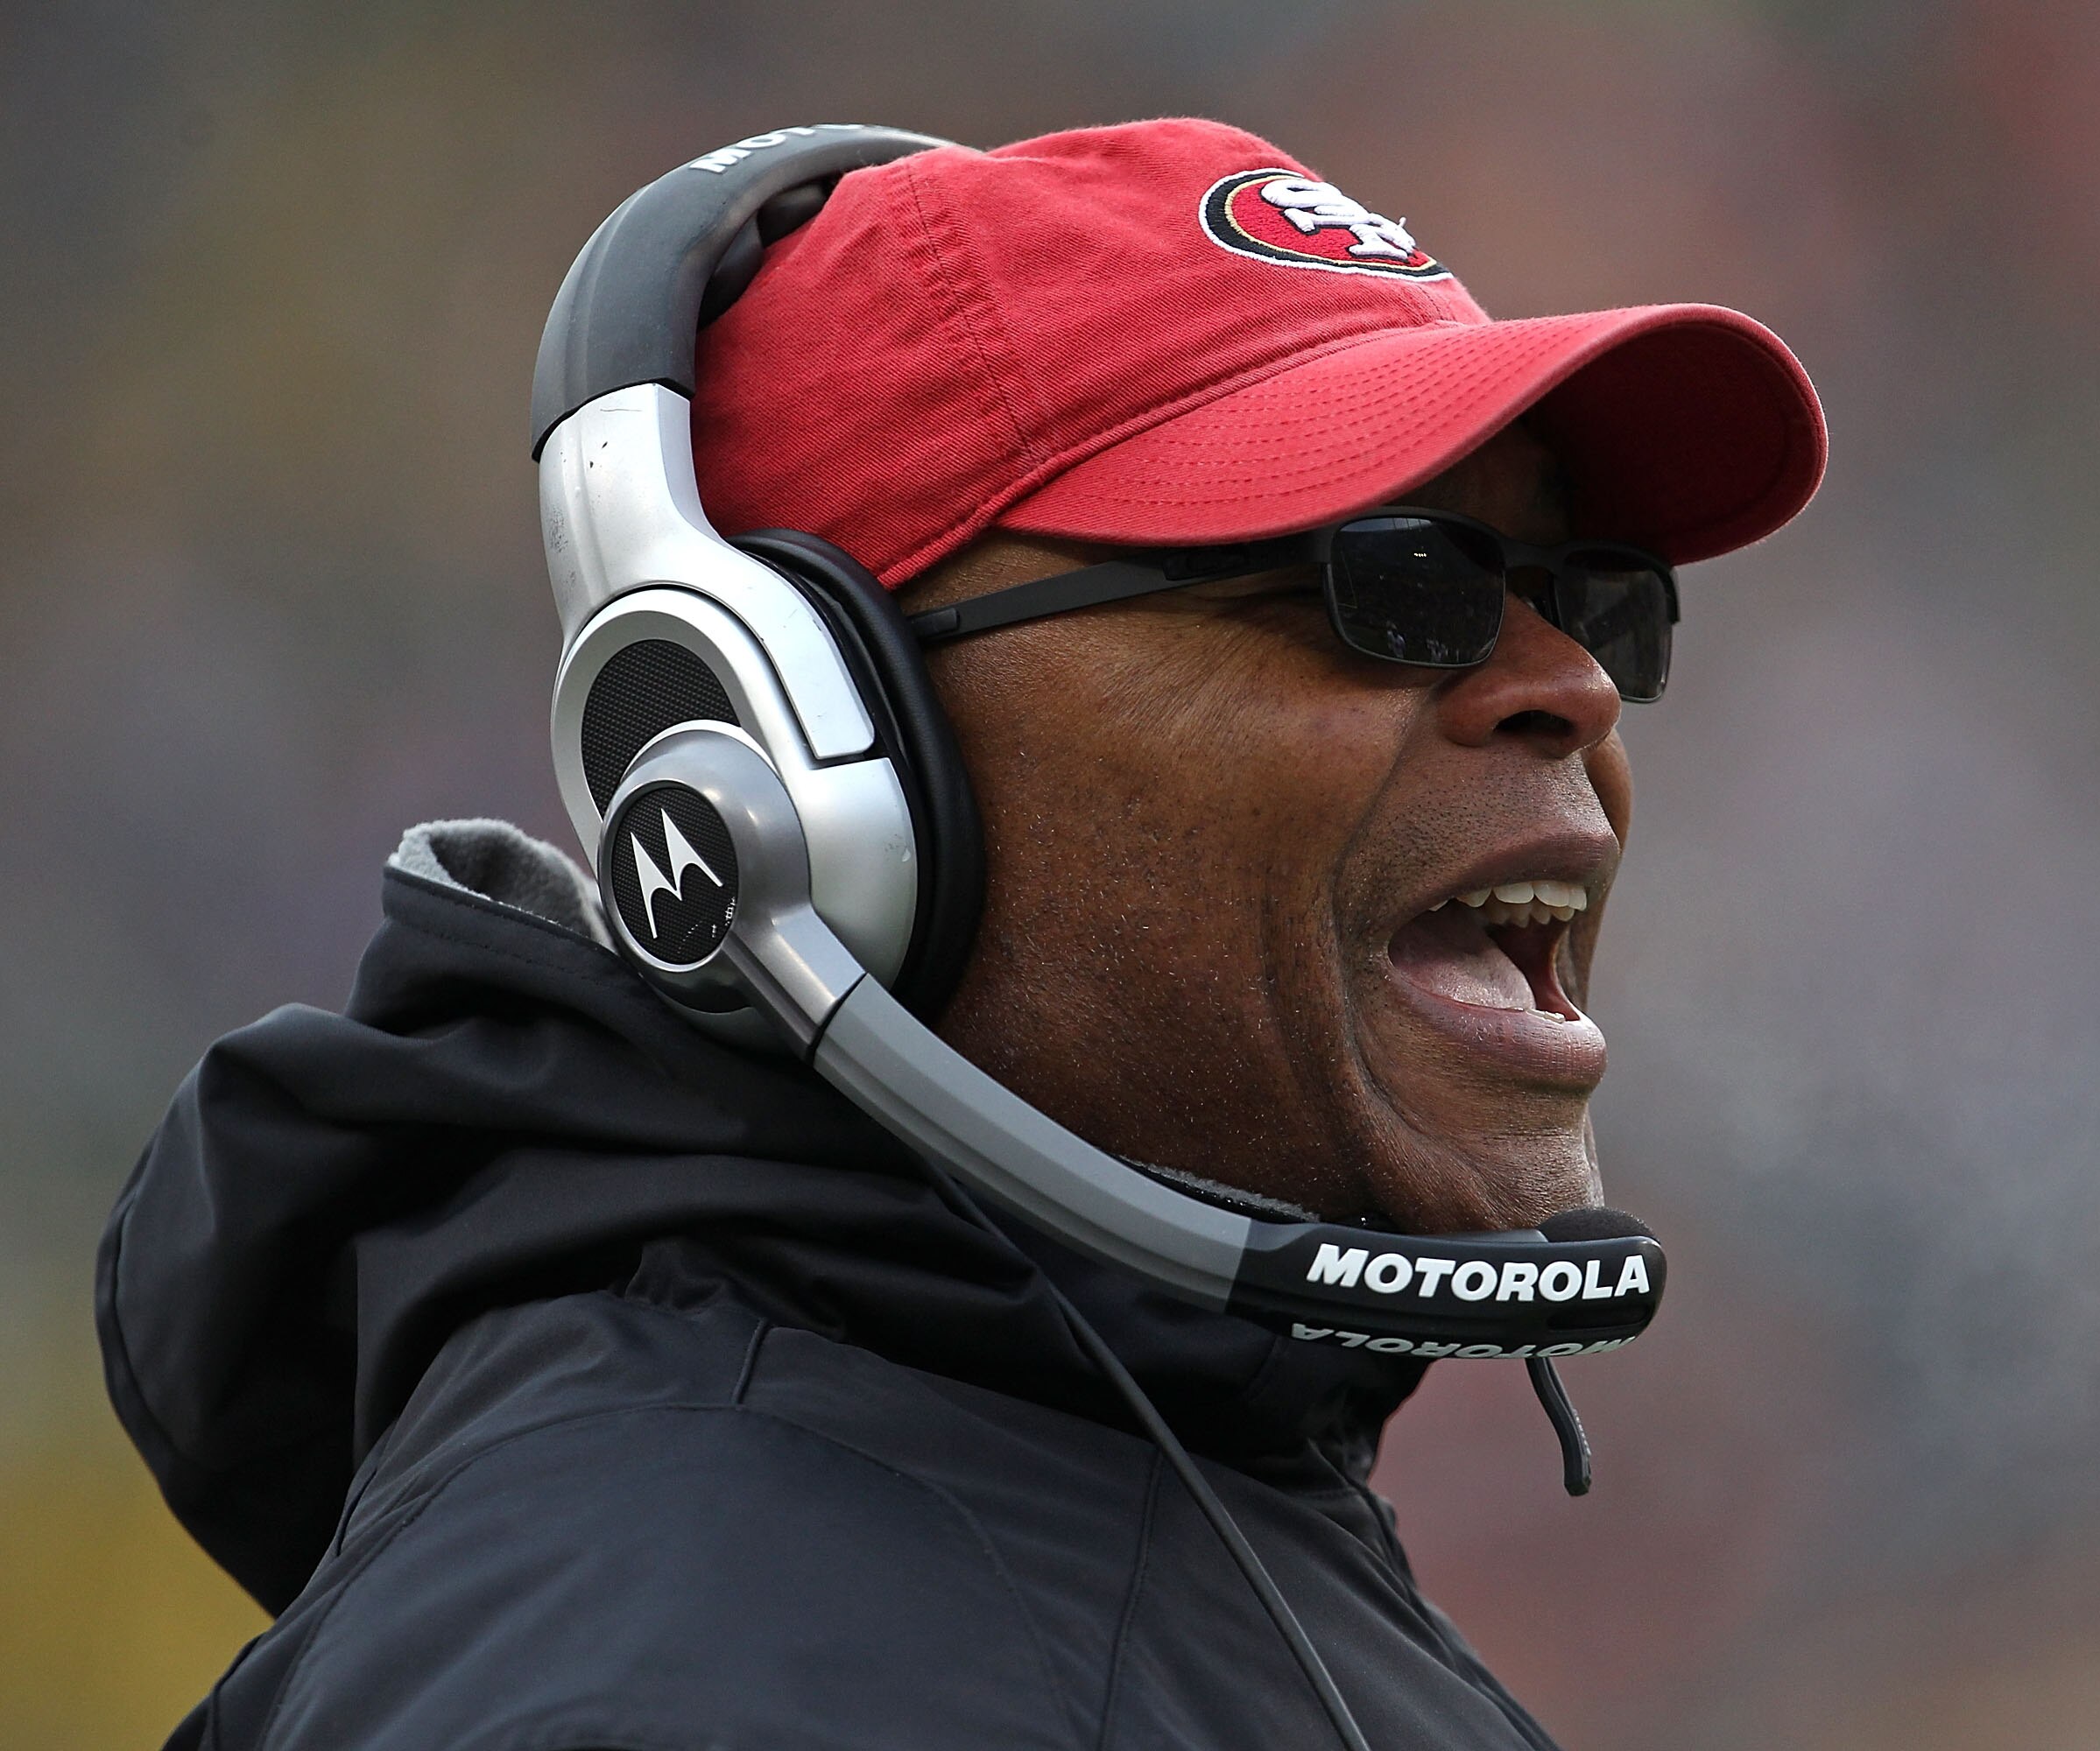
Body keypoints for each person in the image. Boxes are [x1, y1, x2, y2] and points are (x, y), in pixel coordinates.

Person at [100, 118, 1823, 1750]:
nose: (1571, 685)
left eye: (1594, 598)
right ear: (804, 760)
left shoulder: (1115, 1513)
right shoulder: (690, 1677)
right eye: (1391, 585)